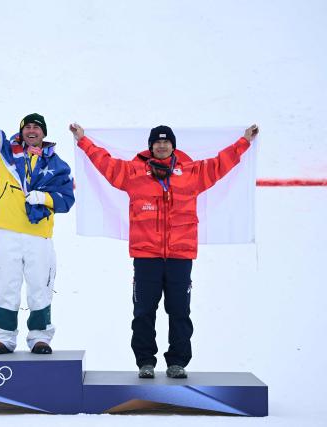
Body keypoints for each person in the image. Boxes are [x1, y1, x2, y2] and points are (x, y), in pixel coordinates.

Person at [70, 122, 259, 378]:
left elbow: (219, 164)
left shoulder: (192, 173)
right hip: (146, 256)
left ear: (173, 146)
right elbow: (106, 163)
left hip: (180, 256)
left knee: (180, 311)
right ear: (150, 146)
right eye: (157, 142)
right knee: (144, 311)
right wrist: (83, 141)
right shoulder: (133, 173)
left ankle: (177, 362)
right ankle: (145, 361)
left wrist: (244, 142)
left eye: (166, 142)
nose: (161, 145)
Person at [0, 84, 75, 355]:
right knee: (4, 284)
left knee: (40, 286)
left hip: (39, 235)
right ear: (22, 131)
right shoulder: (5, 153)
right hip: (7, 232)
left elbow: (67, 198)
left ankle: (40, 337)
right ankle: (3, 338)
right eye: (27, 127)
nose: (32, 131)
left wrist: (45, 199)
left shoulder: (57, 165)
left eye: (37, 127)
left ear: (44, 133)